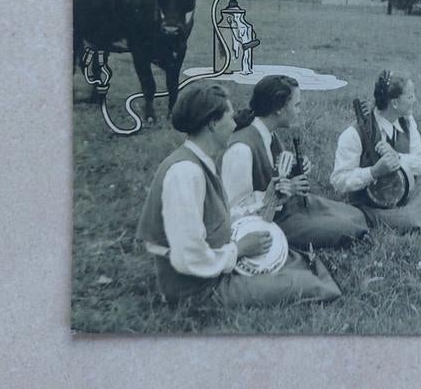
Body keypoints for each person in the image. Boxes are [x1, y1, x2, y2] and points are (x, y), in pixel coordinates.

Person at [136, 82, 340, 305]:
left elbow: (217, 219)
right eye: (230, 118)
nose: (235, 124)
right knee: (307, 285)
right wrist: (239, 250)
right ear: (213, 123)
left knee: (294, 261)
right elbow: (188, 258)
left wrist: (266, 200)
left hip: (212, 266)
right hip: (195, 288)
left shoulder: (200, 160)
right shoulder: (186, 173)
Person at [222, 76, 368, 250]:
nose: (299, 111)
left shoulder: (269, 133)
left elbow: (274, 171)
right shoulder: (241, 149)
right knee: (349, 229)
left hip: (287, 208)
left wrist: (294, 168)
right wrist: (286, 190)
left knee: (355, 216)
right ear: (279, 109)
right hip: (266, 222)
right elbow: (232, 213)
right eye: (296, 105)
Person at [331, 71, 421, 235]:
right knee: (412, 221)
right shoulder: (353, 134)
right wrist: (373, 172)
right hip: (371, 202)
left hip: (410, 190)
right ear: (394, 103)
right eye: (410, 97)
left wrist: (397, 157)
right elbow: (338, 181)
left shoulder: (407, 121)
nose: (414, 100)